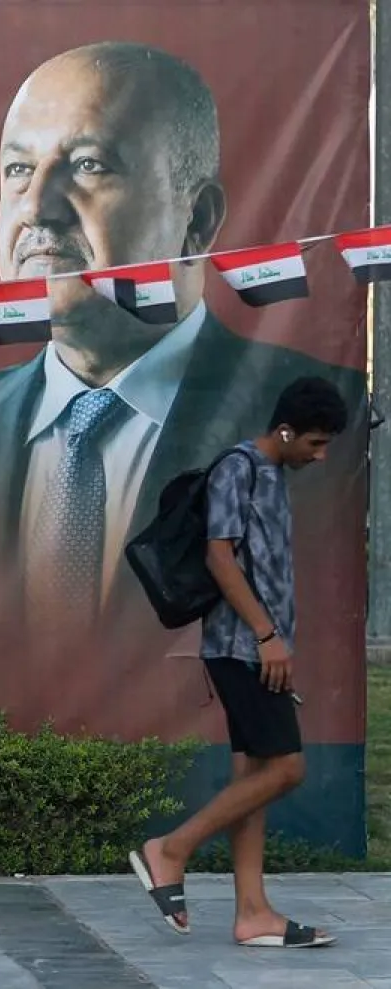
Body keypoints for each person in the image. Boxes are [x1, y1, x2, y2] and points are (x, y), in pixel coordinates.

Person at [0, 41, 366, 640]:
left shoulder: (324, 433)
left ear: (196, 219)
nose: (38, 207)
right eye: (19, 169)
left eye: (89, 165)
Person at [128, 376, 345, 949]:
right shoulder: (238, 468)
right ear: (285, 429)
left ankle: (253, 913)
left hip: (259, 648)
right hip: (240, 648)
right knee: (286, 769)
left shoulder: (271, 475)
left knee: (254, 775)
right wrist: (268, 635)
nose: (319, 457)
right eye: (316, 444)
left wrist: (275, 639)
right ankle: (170, 850)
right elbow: (219, 558)